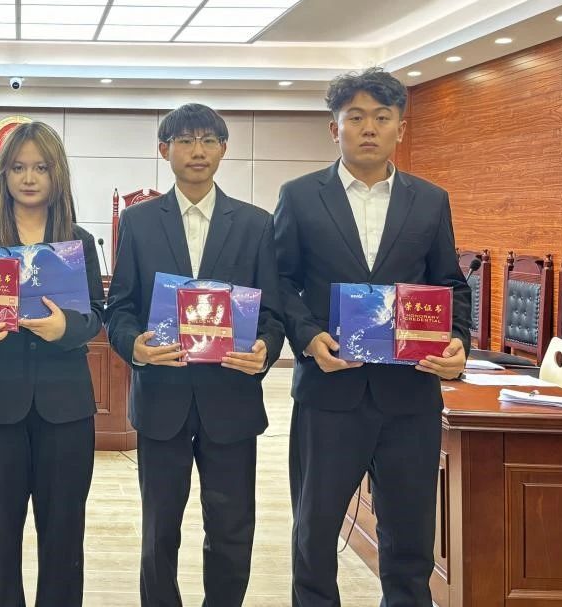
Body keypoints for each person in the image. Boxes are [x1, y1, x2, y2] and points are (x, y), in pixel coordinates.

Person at [274, 67, 470, 607]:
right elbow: (281, 282)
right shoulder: (299, 196)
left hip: (409, 396)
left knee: (410, 538)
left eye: (382, 118)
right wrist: (308, 337)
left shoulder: (429, 200)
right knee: (314, 532)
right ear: (333, 128)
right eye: (355, 117)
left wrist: (457, 341)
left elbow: (449, 284)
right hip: (329, 392)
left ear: (400, 129)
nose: (368, 128)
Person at [106, 103, 285, 607]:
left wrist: (265, 349)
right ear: (165, 150)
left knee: (231, 529)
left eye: (208, 140)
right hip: (162, 397)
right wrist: (134, 346)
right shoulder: (139, 222)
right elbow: (120, 307)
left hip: (231, 398)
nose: (197, 150)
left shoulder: (255, 224)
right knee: (159, 529)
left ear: (224, 149)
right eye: (185, 140)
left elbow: (272, 313)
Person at [0, 121, 106, 607]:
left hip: (65, 407)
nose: (29, 178)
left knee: (64, 536)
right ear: (3, 175)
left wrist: (66, 328)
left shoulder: (78, 241)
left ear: (58, 175)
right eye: (18, 168)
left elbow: (98, 313)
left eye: (40, 168)